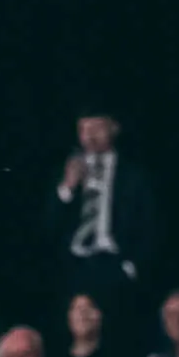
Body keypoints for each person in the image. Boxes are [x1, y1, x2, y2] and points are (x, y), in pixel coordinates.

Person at [46, 109, 158, 303]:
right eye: (83, 129)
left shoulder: (133, 174)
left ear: (114, 128)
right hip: (75, 264)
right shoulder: (66, 169)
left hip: (115, 263)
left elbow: (149, 223)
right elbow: (49, 224)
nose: (89, 136)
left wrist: (132, 266)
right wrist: (67, 187)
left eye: (96, 128)